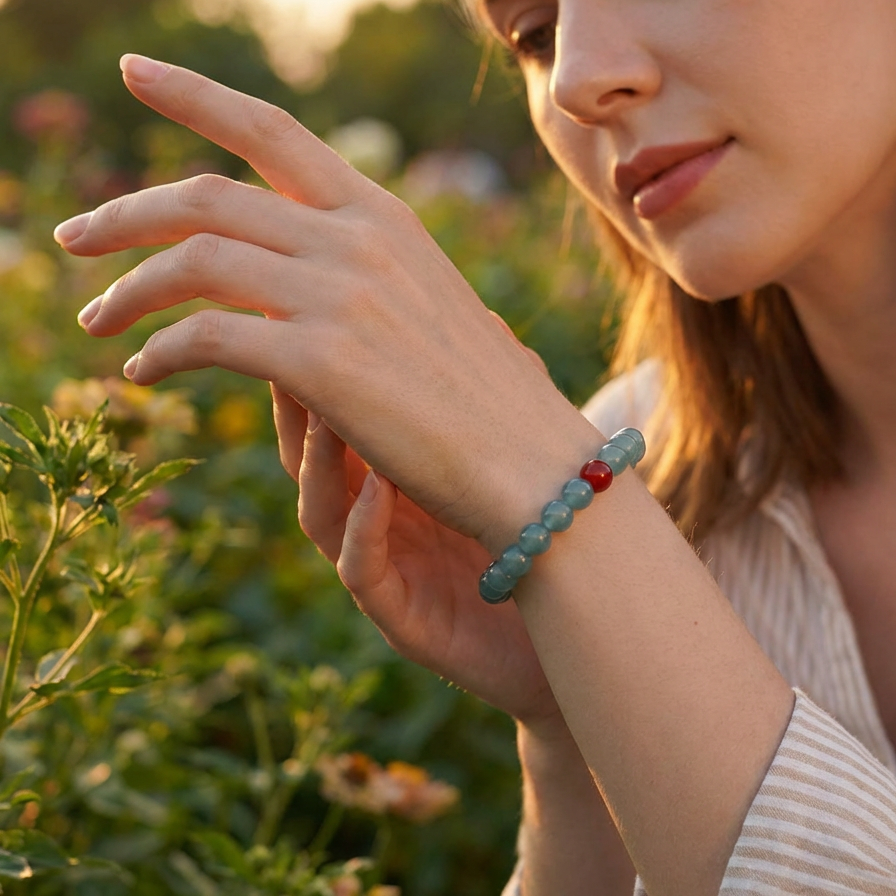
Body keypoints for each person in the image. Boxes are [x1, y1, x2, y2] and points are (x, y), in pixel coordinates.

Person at [51, 0, 896, 889]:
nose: (574, 79)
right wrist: (579, 720)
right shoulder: (646, 460)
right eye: (532, 33)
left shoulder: (589, 482)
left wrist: (570, 506)